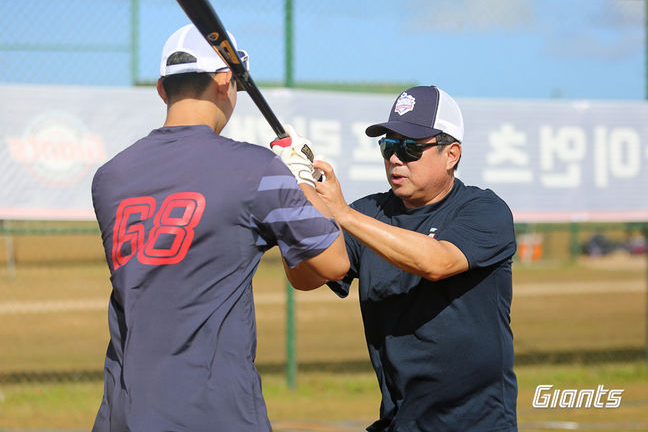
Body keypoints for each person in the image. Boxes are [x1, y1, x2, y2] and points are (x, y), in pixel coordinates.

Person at [90, 24, 349, 432]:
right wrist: (300, 180)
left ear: (162, 89)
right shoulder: (255, 169)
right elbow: (334, 263)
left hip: (123, 411)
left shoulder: (109, 177)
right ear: (226, 79)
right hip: (215, 411)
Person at [313, 86, 518, 432]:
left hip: (476, 423)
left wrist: (343, 215)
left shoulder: (484, 210)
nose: (395, 159)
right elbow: (308, 276)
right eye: (388, 146)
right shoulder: (370, 212)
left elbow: (435, 263)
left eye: (410, 147)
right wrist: (300, 203)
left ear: (451, 154)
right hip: (399, 421)